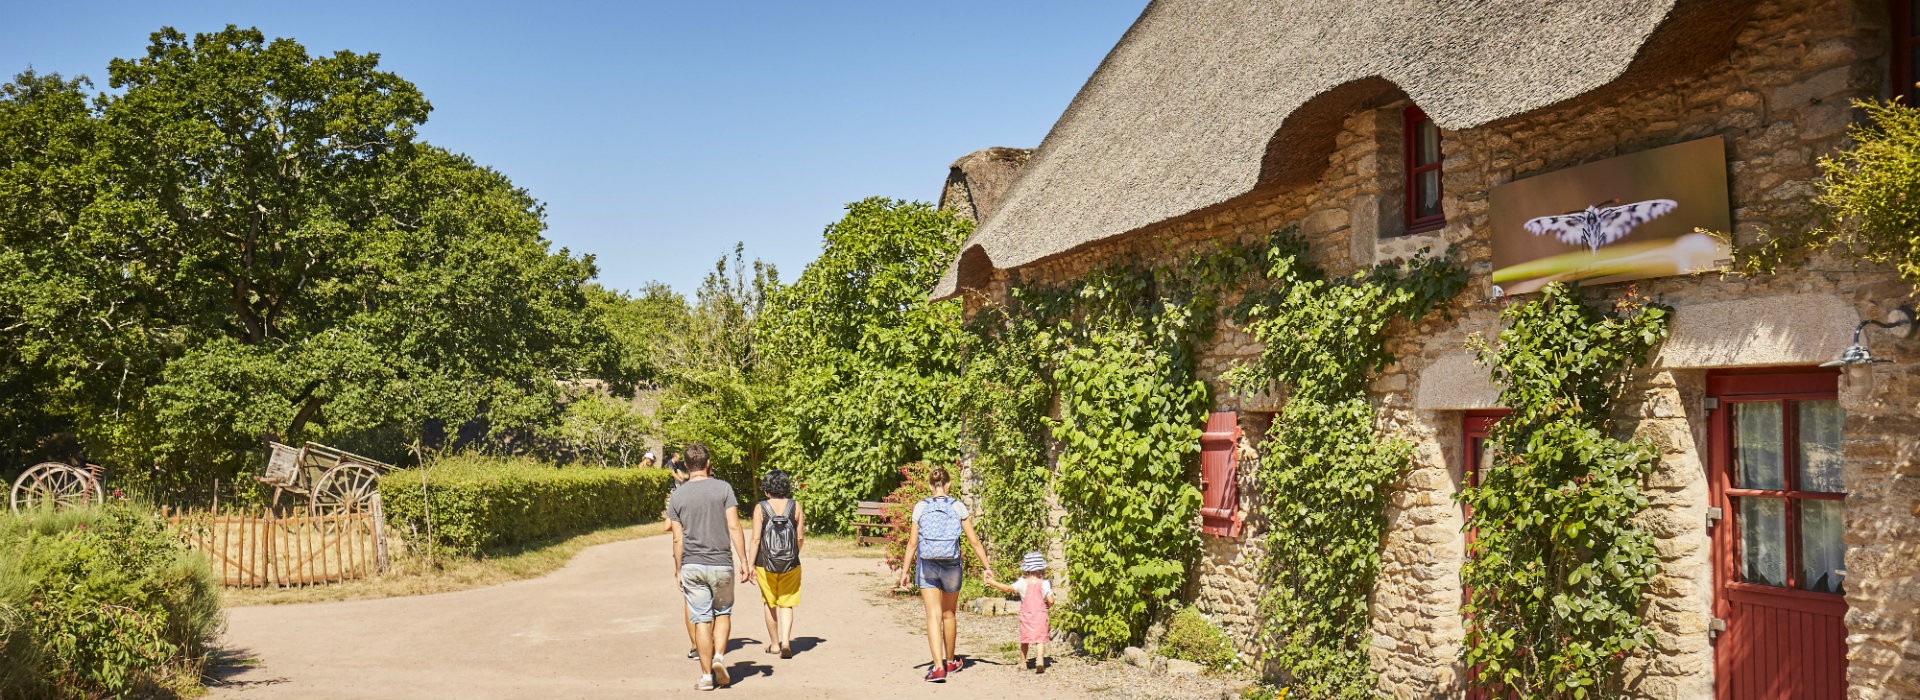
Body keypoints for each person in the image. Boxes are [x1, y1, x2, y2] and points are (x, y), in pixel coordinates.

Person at [895, 463, 995, 683]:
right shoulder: (958, 507)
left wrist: (904, 571)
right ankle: (951, 661)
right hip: (952, 564)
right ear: (948, 484)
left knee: (933, 615)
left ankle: (938, 667)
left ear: (931, 486)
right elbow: (974, 541)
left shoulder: (920, 507)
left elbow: (912, 543)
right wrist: (987, 568)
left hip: (927, 564)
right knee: (949, 614)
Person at [666, 443, 751, 691]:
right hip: (721, 563)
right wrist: (744, 561)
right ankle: (719, 658)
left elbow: (677, 538)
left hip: (692, 565)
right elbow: (734, 527)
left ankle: (705, 677)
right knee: (723, 612)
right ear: (708, 463)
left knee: (701, 619)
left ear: (685, 466)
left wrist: (678, 569)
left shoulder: (678, 496)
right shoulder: (723, 488)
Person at [744, 469, 804, 659]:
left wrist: (750, 564)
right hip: (791, 563)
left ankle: (774, 644)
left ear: (767, 488)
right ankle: (787, 642)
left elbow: (755, 539)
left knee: (770, 602)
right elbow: (800, 536)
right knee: (786, 604)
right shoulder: (796, 506)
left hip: (765, 563)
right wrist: (793, 555)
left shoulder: (760, 508)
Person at [983, 551, 1055, 674]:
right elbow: (1051, 601)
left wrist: (992, 582)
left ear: (1026, 569)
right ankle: (1039, 659)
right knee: (1040, 639)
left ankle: (1022, 662)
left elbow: (1008, 588)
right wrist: (1048, 605)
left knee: (1025, 639)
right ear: (1041, 569)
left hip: (1027, 615)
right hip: (1040, 614)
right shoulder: (1045, 583)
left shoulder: (1022, 582)